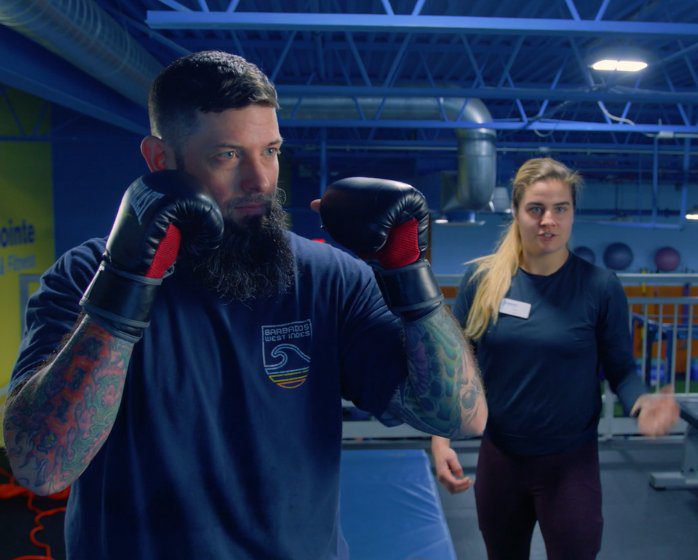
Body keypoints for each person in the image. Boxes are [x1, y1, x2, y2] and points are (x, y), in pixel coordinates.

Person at [2, 50, 486, 560]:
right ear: (160, 160)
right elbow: (41, 468)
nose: (260, 180)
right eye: (228, 155)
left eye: (271, 151)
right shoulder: (84, 279)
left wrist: (409, 275)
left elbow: (462, 418)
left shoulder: (326, 280)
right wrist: (123, 286)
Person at [431, 157, 680, 559]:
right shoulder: (482, 281)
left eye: (560, 209)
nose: (548, 220)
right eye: (536, 209)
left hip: (570, 465)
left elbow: (622, 369)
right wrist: (439, 440)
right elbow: (456, 366)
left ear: (572, 214)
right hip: (501, 460)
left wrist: (642, 401)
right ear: (515, 212)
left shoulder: (600, 287)